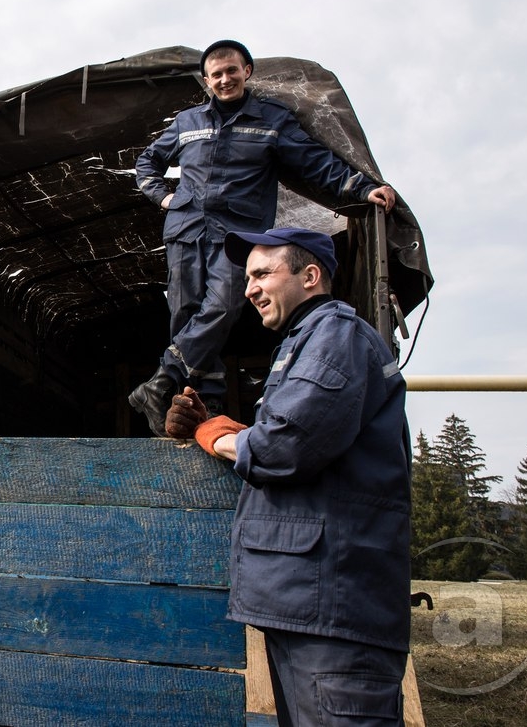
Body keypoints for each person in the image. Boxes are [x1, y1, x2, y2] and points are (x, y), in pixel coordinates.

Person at [165, 228, 411, 725]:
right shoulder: (306, 342)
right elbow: (295, 437)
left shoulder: (336, 335)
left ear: (310, 275)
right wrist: (226, 428)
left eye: (262, 274)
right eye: (248, 276)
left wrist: (216, 435)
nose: (250, 288)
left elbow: (283, 447)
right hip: (311, 607)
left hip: (335, 614)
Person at [130, 39, 397, 436]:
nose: (225, 79)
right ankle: (202, 404)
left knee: (222, 308)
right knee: (185, 316)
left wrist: (361, 188)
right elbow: (146, 161)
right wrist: (164, 196)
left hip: (239, 234)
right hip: (185, 230)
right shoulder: (187, 123)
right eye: (216, 74)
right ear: (206, 80)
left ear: (247, 72)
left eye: (231, 71)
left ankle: (160, 381)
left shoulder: (271, 120)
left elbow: (315, 161)